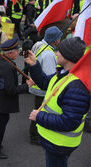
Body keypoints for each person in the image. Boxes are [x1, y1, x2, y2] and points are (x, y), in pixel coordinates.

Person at [25, 37, 90, 167]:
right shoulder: (63, 73)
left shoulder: (76, 88)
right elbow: (44, 82)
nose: (56, 53)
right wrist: (34, 65)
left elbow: (69, 122)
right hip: (54, 140)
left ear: (68, 56)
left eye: (59, 51)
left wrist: (39, 116)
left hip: (60, 144)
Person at [0, 38, 34, 159]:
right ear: (10, 53)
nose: (18, 53)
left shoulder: (0, 60)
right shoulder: (7, 66)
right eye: (16, 51)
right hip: (1, 103)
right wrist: (27, 86)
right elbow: (11, 90)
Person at [29, 26, 62, 145]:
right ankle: (34, 135)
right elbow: (49, 76)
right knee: (39, 112)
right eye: (59, 38)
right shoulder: (49, 54)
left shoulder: (39, 44)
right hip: (41, 89)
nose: (60, 40)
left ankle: (35, 133)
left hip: (36, 86)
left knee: (38, 110)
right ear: (54, 40)